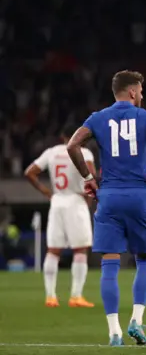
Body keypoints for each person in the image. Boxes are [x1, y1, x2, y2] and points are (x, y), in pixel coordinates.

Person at [66, 70, 146, 346]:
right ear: (133, 92)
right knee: (145, 259)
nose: (142, 95)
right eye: (141, 91)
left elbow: (73, 144)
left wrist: (88, 179)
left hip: (109, 197)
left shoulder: (97, 118)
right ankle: (136, 319)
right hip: (139, 196)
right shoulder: (145, 117)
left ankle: (114, 332)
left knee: (109, 265)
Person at [24, 124, 96, 308]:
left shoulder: (51, 152)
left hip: (57, 201)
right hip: (76, 200)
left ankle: (50, 297)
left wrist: (47, 192)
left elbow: (29, 173)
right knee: (80, 250)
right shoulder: (84, 153)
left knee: (53, 250)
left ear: (62, 136)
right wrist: (89, 196)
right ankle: (76, 296)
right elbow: (92, 175)